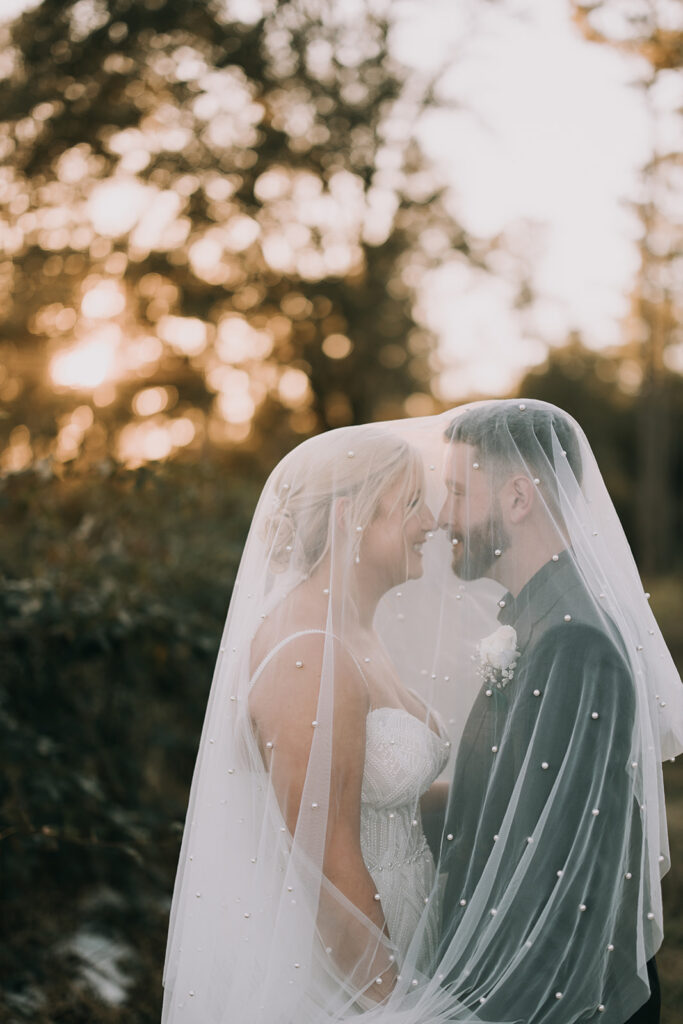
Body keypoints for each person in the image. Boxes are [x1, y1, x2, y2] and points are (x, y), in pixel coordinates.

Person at [161, 401, 682, 1024]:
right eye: (413, 502)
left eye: (447, 495)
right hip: (348, 970)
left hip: (412, 940)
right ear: (351, 518)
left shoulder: (357, 636)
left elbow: (381, 795)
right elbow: (324, 863)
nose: (433, 521)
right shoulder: (307, 655)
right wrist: (396, 1007)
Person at [437, 400, 678, 1023]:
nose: (441, 517)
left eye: (458, 493)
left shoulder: (574, 640)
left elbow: (564, 876)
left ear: (518, 498)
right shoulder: (538, 614)